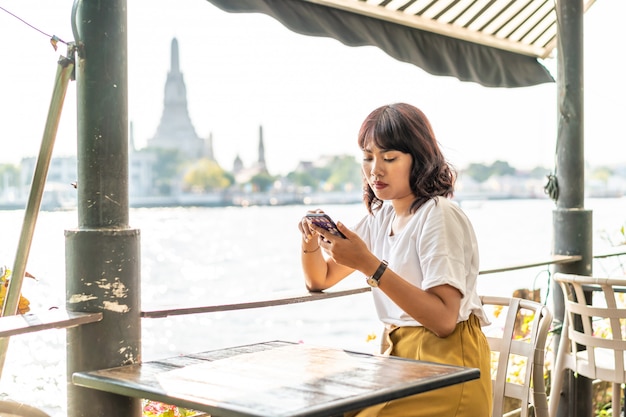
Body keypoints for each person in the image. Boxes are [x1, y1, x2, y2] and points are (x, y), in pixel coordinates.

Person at [298, 103, 492, 417]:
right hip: (400, 360)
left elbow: (444, 320)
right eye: (368, 156)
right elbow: (319, 280)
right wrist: (310, 241)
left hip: (450, 367)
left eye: (389, 158)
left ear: (420, 160)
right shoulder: (382, 215)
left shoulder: (438, 216)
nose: (376, 170)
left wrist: (369, 265)